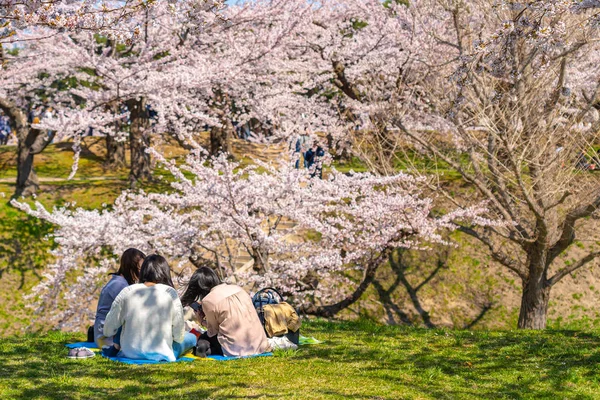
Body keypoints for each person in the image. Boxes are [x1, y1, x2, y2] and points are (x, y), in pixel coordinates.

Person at [103, 254, 197, 361]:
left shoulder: (127, 291)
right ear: (165, 272)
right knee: (191, 338)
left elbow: (108, 330)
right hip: (162, 353)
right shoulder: (169, 292)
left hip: (130, 353)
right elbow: (178, 337)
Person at [181, 266, 271, 357]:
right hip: (260, 343)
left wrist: (201, 320)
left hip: (238, 349)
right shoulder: (238, 288)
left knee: (204, 338)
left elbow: (213, 332)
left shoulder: (208, 300)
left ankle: (205, 350)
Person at [94, 248, 146, 349]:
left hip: (105, 332)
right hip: (107, 337)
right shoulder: (119, 285)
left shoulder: (119, 281)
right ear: (131, 267)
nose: (142, 273)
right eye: (140, 269)